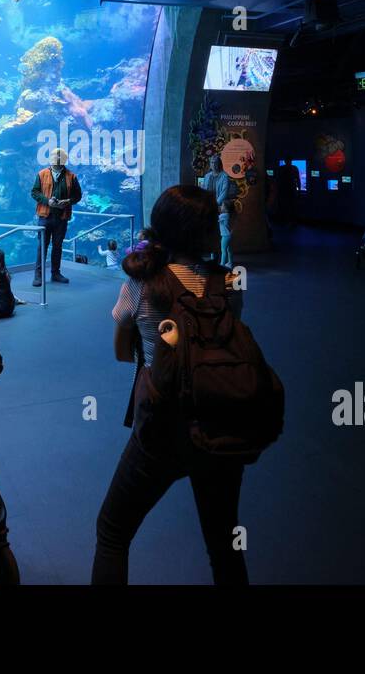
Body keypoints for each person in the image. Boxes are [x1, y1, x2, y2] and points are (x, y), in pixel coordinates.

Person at [93, 185, 247, 585]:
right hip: (219, 423)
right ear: (205, 232)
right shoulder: (229, 283)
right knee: (225, 545)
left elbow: (122, 354)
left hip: (161, 427)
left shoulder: (140, 284)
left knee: (112, 531)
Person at [30, 148, 82, 286]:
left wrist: (68, 201)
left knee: (57, 246)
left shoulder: (72, 176)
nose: (56, 161)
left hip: (62, 217)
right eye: (55, 159)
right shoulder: (42, 174)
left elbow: (78, 196)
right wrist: (48, 201)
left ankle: (55, 273)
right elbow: (34, 192)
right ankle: (38, 276)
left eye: (59, 159)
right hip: (44, 217)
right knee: (42, 246)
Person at [201, 154, 235, 267]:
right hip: (209, 206)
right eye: (211, 162)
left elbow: (224, 192)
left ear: (219, 164)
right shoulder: (207, 176)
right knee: (212, 233)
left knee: (222, 233)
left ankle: (225, 260)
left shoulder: (224, 176)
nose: (213, 165)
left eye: (215, 162)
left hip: (220, 207)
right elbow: (204, 190)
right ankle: (213, 257)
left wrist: (215, 204)